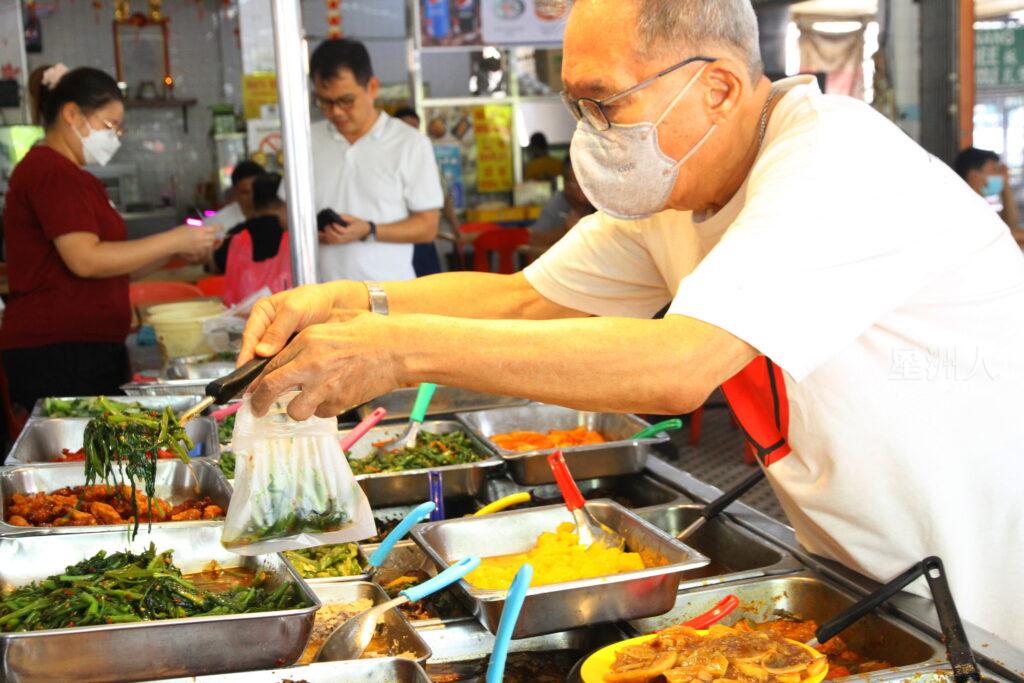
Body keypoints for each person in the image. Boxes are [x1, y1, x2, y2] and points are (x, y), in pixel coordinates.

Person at [239, 0, 1024, 647]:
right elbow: (527, 299)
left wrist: (397, 350)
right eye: (578, 105)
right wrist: (343, 307)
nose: (590, 130)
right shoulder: (680, 189)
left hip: (985, 586)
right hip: (863, 571)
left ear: (716, 87)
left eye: (604, 102)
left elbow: (681, 362)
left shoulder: (836, 164)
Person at [0, 64, 218, 412]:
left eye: (119, 129)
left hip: (81, 346)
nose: (115, 136)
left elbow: (109, 267)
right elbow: (86, 260)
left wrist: (177, 254)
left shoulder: (70, 175)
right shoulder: (52, 172)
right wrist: (174, 240)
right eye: (109, 125)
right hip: (59, 351)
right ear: (72, 114)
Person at [309, 39, 444, 282]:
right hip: (320, 298)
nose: (336, 112)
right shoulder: (307, 142)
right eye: (325, 102)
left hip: (389, 298)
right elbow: (286, 215)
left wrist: (369, 230)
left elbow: (428, 227)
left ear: (372, 87)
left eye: (346, 100)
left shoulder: (409, 144)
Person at [222, 173, 291, 305]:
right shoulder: (294, 238)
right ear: (283, 201)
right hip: (286, 315)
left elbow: (214, 265)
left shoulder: (236, 236)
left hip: (244, 320)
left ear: (253, 200)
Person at [529, 154, 595, 254]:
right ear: (566, 186)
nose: (587, 190)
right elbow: (534, 240)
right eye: (579, 185)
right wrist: (565, 230)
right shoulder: (556, 204)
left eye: (590, 184)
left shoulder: (598, 203)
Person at [953, 146, 1023, 240]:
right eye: (995, 170)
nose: (1001, 176)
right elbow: (1005, 237)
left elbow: (1009, 227)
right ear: (974, 176)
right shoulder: (963, 206)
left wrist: (1005, 185)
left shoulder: (980, 205)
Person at [211, 160, 268, 273]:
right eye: (245, 192)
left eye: (256, 190)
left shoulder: (281, 219)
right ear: (235, 193)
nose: (252, 197)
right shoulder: (217, 224)